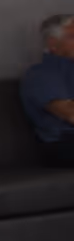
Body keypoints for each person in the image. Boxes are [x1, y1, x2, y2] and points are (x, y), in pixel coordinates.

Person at [21, 14, 74, 166]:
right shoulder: (40, 74)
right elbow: (71, 114)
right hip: (62, 142)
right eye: (72, 37)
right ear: (53, 44)